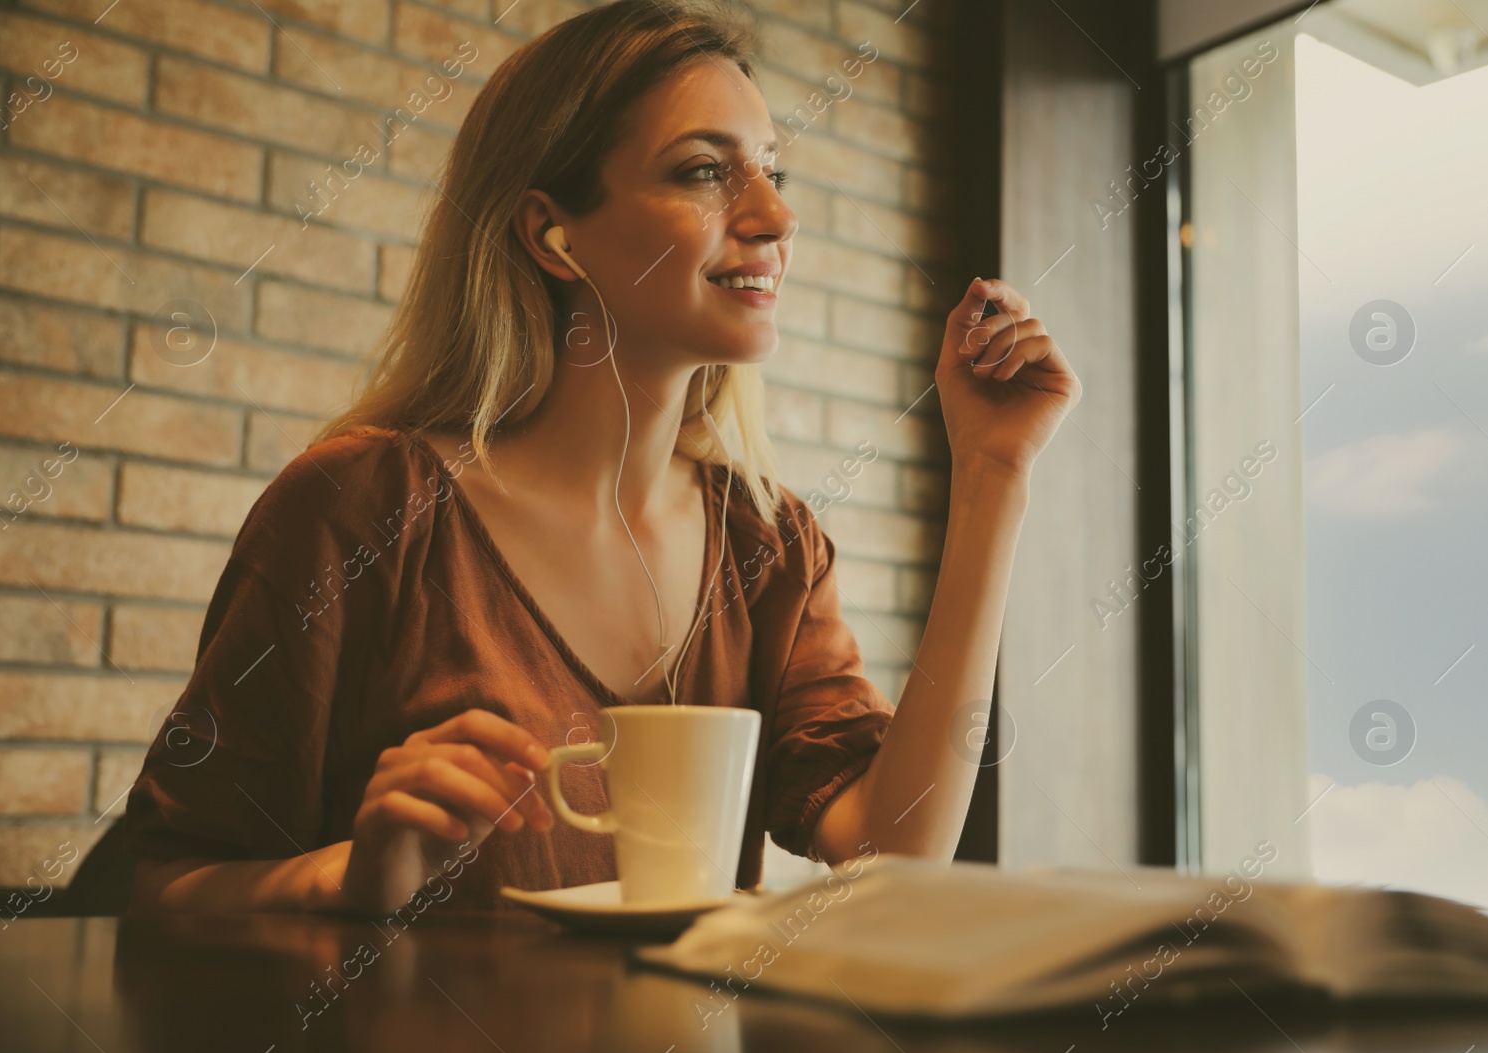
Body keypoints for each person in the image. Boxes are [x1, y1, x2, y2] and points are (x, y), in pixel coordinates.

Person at [125, 0, 1080, 915]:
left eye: (773, 173)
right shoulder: (360, 507)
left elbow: (892, 851)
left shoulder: (771, 545)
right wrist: (344, 877)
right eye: (706, 171)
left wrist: (993, 478)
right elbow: (160, 886)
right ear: (552, 232)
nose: (775, 220)